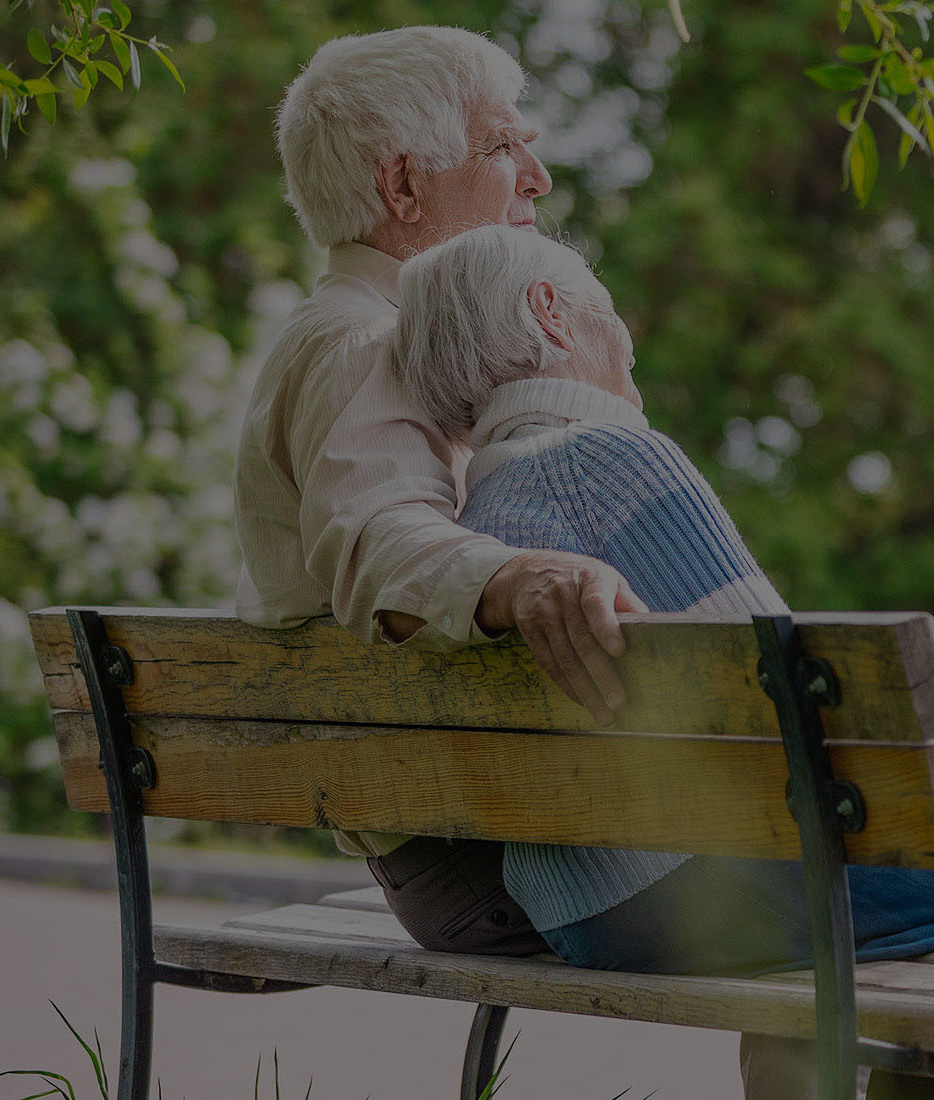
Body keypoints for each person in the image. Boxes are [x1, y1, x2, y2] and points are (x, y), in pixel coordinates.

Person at [390, 222, 934, 1100]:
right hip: (708, 876)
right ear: (552, 315)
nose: (629, 351)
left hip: (583, 911)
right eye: (611, 317)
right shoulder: (608, 460)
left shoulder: (473, 530)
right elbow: (807, 720)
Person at [234, 26, 644, 960]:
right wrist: (520, 578)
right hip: (483, 854)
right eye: (505, 147)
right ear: (403, 185)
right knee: (865, 874)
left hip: (487, 816)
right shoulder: (363, 343)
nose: (536, 177)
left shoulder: (382, 337)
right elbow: (378, 537)